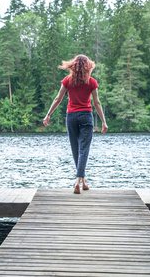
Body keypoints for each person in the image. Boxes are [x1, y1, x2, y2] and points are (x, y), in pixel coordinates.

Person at [43, 55, 108, 194]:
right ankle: (78, 180)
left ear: (73, 66)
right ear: (88, 67)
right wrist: (103, 121)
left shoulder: (68, 81)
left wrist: (48, 114)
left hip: (71, 116)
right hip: (86, 116)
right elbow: (97, 103)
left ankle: (82, 181)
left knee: (75, 149)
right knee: (84, 149)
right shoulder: (91, 82)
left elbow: (58, 98)